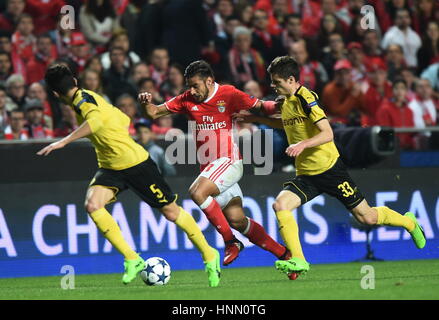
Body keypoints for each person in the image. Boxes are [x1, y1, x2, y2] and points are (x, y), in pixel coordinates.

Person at [237, 56, 426, 278]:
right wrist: (254, 119)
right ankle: (299, 259)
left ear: (291, 79)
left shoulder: (306, 98)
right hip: (307, 174)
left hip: (330, 170)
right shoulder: (286, 102)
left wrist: (302, 145)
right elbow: (285, 123)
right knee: (281, 205)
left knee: (367, 217)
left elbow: (327, 133)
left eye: (277, 82)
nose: (273, 86)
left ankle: (408, 222)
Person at [37, 64, 221, 287]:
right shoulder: (90, 97)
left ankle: (209, 254)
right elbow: (121, 119)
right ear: (74, 81)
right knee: (93, 205)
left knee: (171, 212)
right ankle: (132, 258)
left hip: (136, 163)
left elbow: (95, 122)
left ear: (55, 94)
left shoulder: (82, 100)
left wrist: (63, 141)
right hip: (111, 166)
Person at [139, 60, 294, 273]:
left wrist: (279, 105)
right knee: (237, 220)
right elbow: (154, 113)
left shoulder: (228, 93)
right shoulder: (186, 99)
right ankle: (285, 255)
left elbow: (260, 106)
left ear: (209, 81)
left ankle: (230, 242)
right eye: (189, 86)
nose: (192, 91)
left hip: (228, 160)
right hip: (211, 168)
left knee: (197, 192)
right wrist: (145, 104)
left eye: (196, 85)